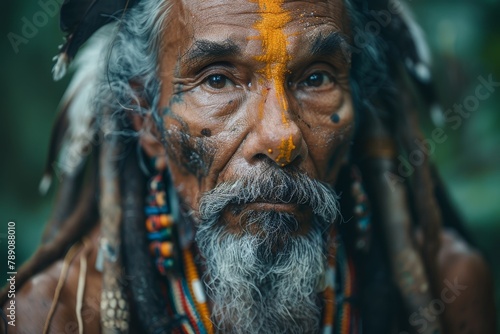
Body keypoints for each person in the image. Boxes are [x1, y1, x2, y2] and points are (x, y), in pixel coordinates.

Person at [1, 0, 496, 333]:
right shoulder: (50, 318)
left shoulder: (448, 292)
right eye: (217, 81)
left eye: (317, 77)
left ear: (357, 104)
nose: (281, 137)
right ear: (146, 122)